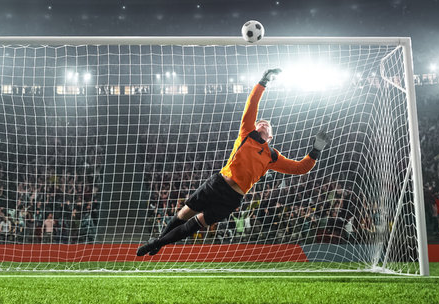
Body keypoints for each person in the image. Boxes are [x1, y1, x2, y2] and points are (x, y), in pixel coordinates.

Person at [137, 68, 330, 256]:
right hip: (217, 183)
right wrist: (263, 82)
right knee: (183, 214)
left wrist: (315, 151)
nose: (262, 123)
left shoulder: (272, 157)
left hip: (231, 198)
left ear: (271, 136)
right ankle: (158, 242)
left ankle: (157, 242)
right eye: (259, 123)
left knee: (195, 224)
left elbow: (300, 168)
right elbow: (252, 104)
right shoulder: (247, 134)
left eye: (267, 124)